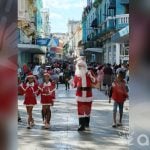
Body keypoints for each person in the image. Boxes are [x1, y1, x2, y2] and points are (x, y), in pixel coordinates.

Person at [72, 59, 97, 131]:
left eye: (82, 65)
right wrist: (70, 82)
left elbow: (95, 82)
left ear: (85, 66)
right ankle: (81, 125)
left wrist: (91, 76)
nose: (80, 67)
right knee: (80, 110)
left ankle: (86, 123)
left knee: (88, 109)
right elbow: (74, 85)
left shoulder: (89, 72)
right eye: (79, 66)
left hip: (88, 94)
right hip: (79, 94)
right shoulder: (76, 74)